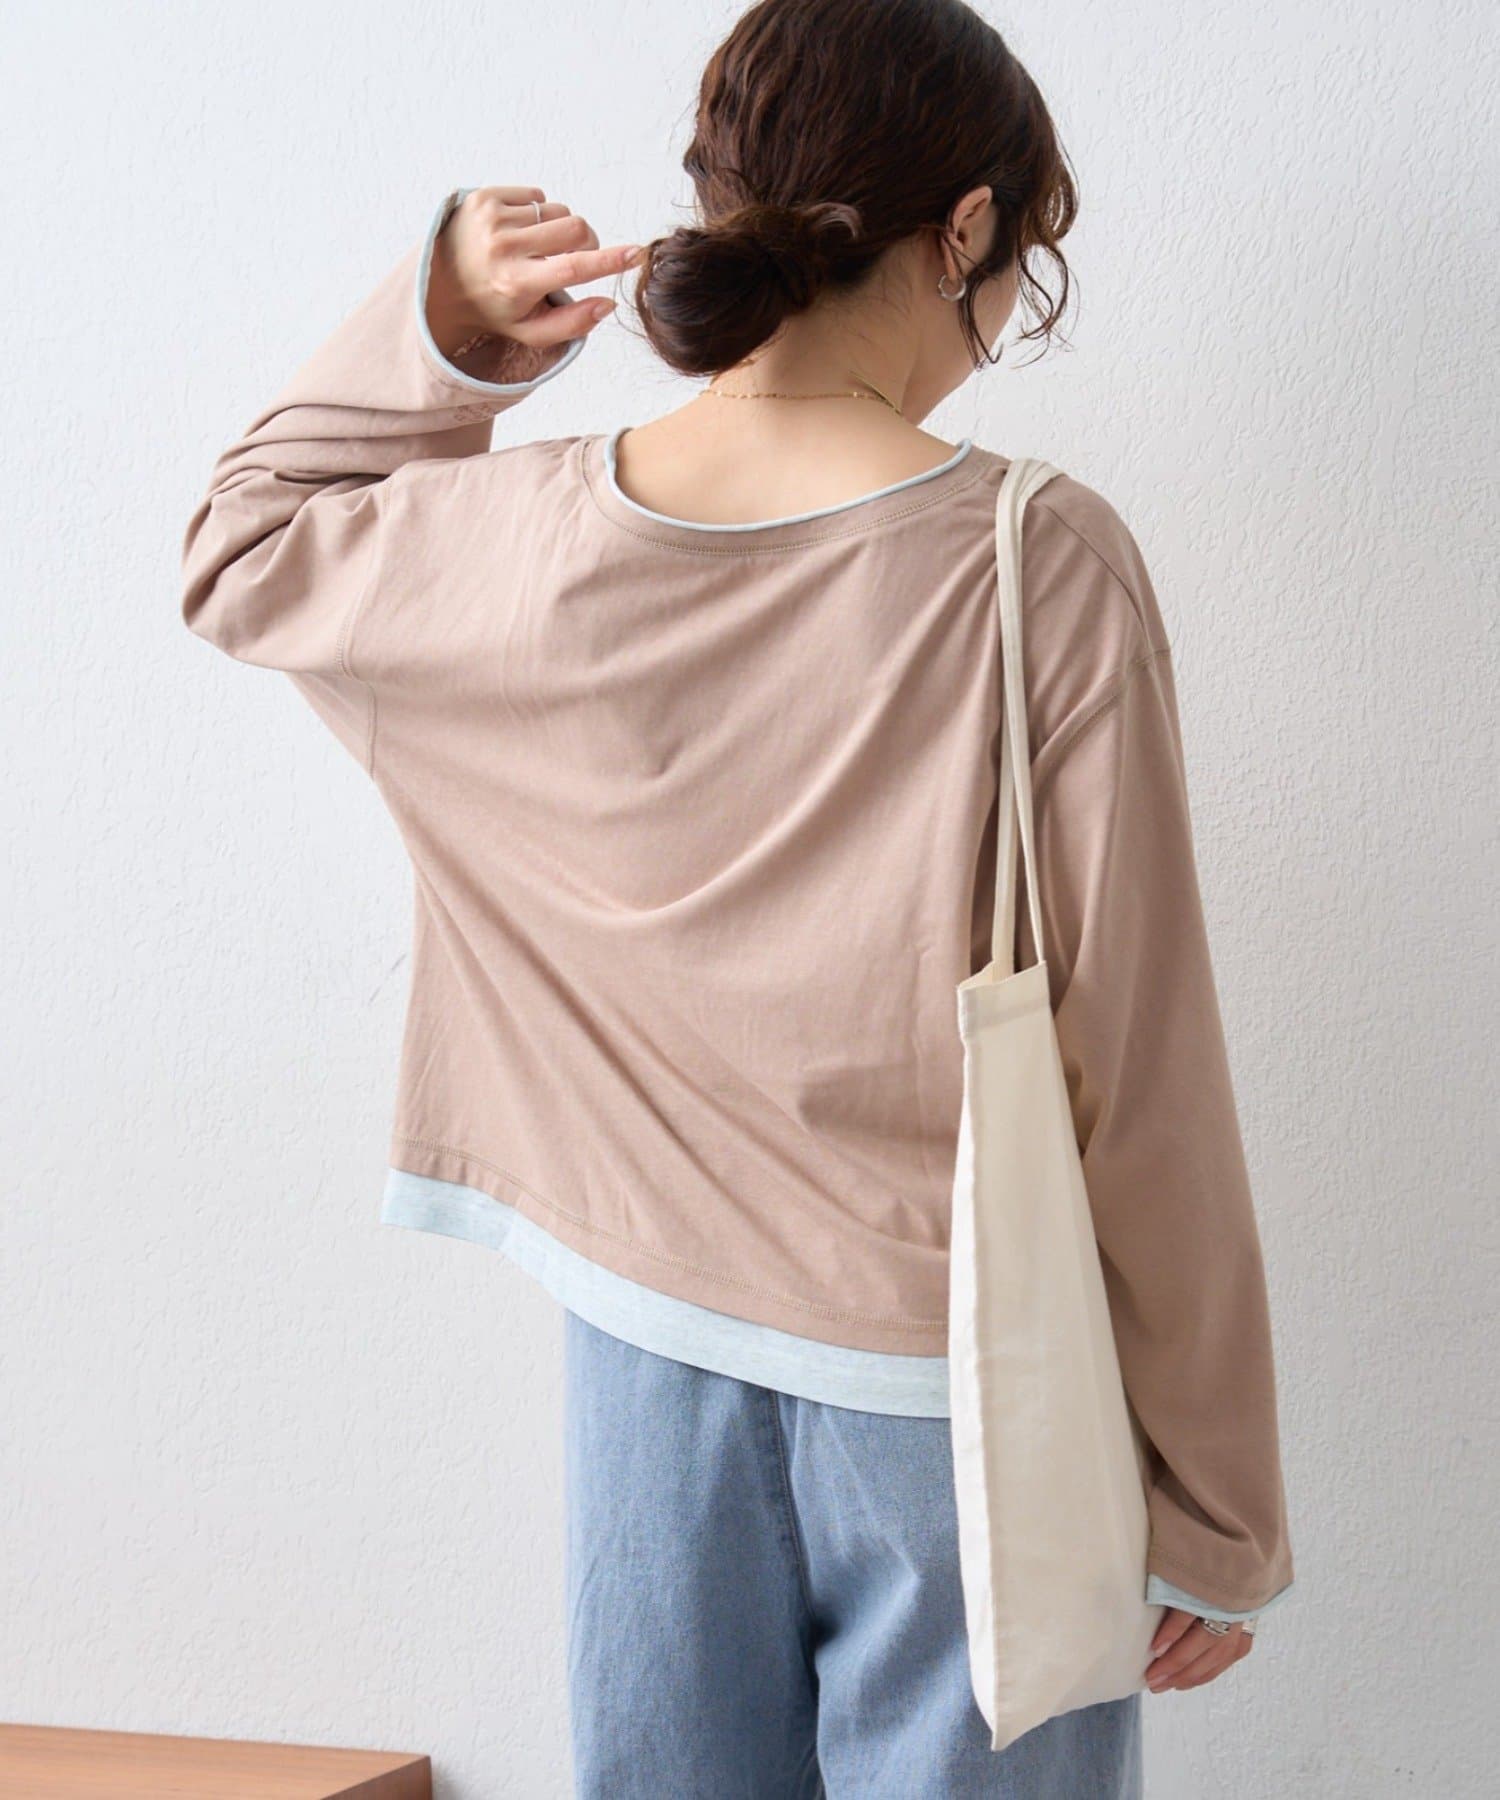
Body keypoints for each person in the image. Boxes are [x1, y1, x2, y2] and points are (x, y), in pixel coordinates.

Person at [179, 0, 1293, 1791]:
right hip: (960, 1403)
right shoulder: (1034, 558)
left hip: (640, 1354)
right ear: (968, 228)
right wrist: (1217, 1505)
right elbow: (1138, 1066)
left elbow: (244, 544)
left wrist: (445, 325)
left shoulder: (525, 538)